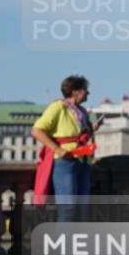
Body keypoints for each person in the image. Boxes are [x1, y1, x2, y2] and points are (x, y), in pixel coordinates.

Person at [31, 75, 103, 220]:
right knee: (68, 208)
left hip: (83, 161)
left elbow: (79, 137)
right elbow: (36, 130)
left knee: (82, 208)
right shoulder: (58, 107)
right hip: (65, 162)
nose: (88, 93)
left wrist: (92, 129)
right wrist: (58, 149)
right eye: (85, 90)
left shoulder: (82, 111)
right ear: (75, 92)